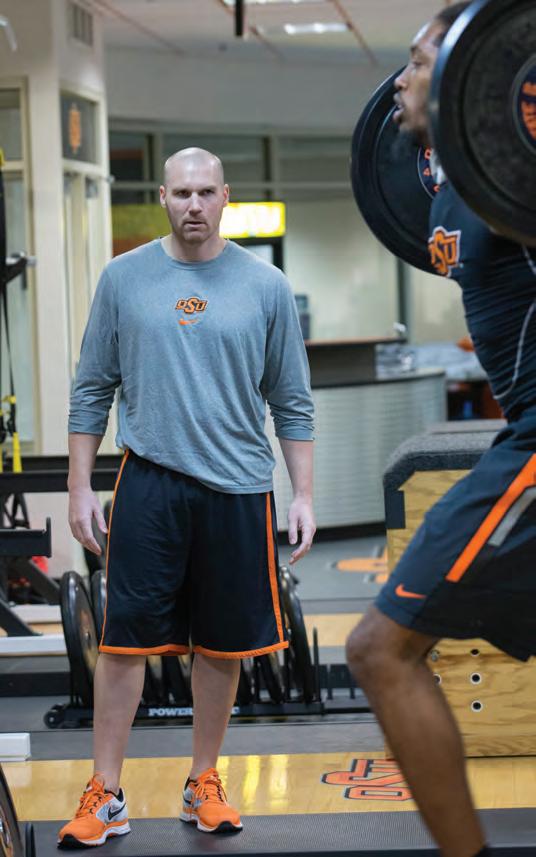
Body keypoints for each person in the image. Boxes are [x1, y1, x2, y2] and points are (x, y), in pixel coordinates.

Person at [58, 148, 315, 847]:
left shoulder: (265, 285)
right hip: (150, 480)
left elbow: (292, 400)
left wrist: (303, 495)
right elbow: (91, 388)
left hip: (239, 487)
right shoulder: (124, 278)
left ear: (225, 196)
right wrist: (79, 485)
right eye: (181, 193)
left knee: (223, 646)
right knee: (122, 641)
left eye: (205, 192)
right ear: (162, 197)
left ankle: (204, 779)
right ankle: (105, 791)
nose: (193, 205)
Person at [346, 5, 536, 857]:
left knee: (379, 648)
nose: (401, 82)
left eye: (420, 62)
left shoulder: (520, 177)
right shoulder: (460, 180)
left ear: (472, 73)